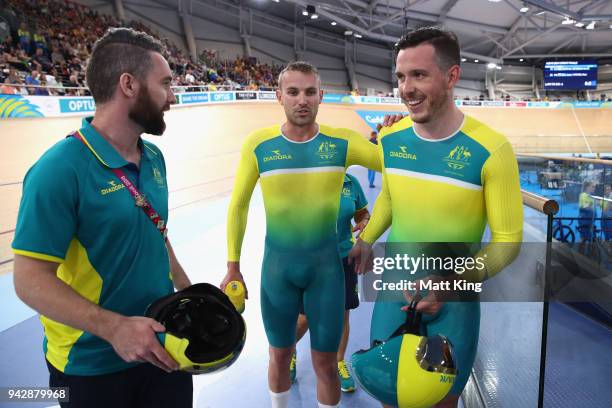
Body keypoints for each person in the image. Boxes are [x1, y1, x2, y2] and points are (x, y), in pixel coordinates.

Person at [12, 28, 193, 408]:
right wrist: (114, 328)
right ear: (129, 85)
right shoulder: (59, 170)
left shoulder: (153, 158)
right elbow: (29, 280)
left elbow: (156, 230)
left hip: (161, 349)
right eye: (165, 84)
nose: (173, 97)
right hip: (89, 369)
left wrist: (188, 292)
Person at [349, 27, 523, 408]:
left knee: (441, 403)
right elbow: (391, 201)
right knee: (392, 399)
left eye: (419, 75)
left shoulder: (492, 150)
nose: (406, 88)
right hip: (394, 296)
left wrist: (452, 282)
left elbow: (508, 241)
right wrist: (365, 239)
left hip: (454, 304)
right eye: (400, 76)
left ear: (452, 76)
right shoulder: (392, 140)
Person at [221, 61, 380, 408]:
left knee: (326, 364)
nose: (302, 100)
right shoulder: (258, 145)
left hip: (327, 275)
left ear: (321, 96)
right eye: (293, 92)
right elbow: (238, 206)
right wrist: (232, 265)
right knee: (278, 357)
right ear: (279, 96)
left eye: (310, 92)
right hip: (277, 274)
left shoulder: (343, 142)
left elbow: (396, 167)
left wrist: (371, 232)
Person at [291, 173, 370, 392]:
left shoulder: (350, 182)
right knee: (304, 318)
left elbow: (363, 214)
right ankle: (289, 352)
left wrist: (364, 222)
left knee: (342, 313)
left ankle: (338, 363)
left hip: (344, 257)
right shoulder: (304, 178)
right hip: (311, 259)